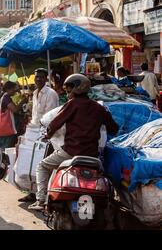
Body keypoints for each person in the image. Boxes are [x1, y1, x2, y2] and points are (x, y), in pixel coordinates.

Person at [28, 74, 119, 210]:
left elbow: (54, 124)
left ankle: (41, 200)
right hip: (92, 155)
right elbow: (114, 128)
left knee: (42, 166)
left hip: (71, 152)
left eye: (69, 90)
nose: (68, 93)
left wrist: (48, 135)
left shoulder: (72, 104)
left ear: (77, 88)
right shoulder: (99, 108)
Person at [18, 68, 60, 203]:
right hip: (34, 131)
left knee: (41, 164)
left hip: (45, 133)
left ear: (46, 79)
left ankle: (43, 195)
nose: (38, 80)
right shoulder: (35, 93)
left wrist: (44, 134)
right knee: (30, 163)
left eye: (41, 77)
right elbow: (36, 116)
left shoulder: (51, 94)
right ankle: (32, 192)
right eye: (36, 77)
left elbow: (51, 117)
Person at [0, 81, 28, 151]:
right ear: (8, 89)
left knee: (3, 148)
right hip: (6, 128)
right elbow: (15, 109)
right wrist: (23, 101)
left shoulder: (5, 97)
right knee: (6, 149)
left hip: (3, 128)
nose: (15, 91)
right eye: (13, 89)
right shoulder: (6, 98)